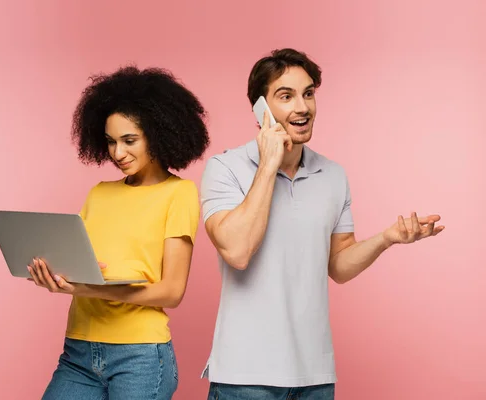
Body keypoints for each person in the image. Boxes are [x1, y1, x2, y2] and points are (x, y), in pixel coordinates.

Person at [199, 48, 445, 400]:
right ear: (260, 108)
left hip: (314, 375)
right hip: (245, 375)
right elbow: (237, 251)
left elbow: (339, 265)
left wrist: (387, 238)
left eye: (309, 93)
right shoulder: (225, 169)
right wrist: (269, 165)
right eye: (286, 96)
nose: (302, 107)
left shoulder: (333, 175)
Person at [27, 65, 209, 400]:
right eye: (110, 142)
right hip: (79, 351)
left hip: (139, 357)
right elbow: (82, 266)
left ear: (158, 134)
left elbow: (172, 291)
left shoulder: (178, 193)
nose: (118, 153)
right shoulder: (99, 192)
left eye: (129, 141)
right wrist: (54, 276)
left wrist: (94, 290)